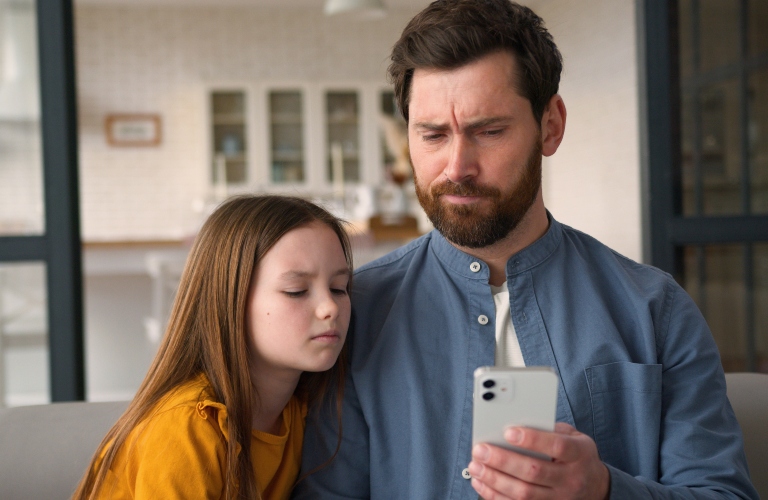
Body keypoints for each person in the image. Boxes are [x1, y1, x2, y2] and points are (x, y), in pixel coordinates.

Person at [295, 1, 758, 499]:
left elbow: (723, 492)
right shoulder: (354, 313)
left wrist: (603, 491)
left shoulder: (655, 309)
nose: (457, 167)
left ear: (550, 125)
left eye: (489, 132)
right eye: (433, 135)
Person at [74, 195, 353, 499]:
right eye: (296, 291)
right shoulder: (187, 427)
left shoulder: (302, 411)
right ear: (229, 299)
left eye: (339, 288)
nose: (330, 307)